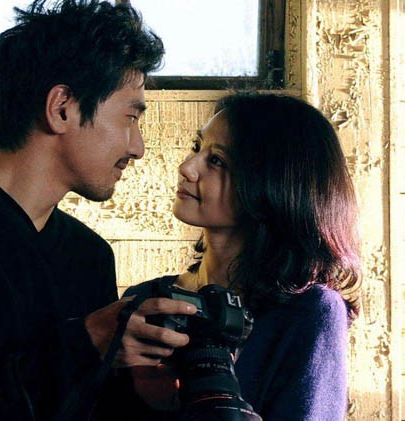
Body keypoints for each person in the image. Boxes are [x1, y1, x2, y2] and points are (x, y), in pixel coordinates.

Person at [0, 1, 198, 420]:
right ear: (62, 108)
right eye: (130, 117)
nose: (138, 147)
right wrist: (88, 342)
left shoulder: (89, 255)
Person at [123, 92, 362, 420]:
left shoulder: (310, 312)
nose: (186, 167)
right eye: (196, 147)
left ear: (271, 184)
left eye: (216, 161)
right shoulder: (148, 301)